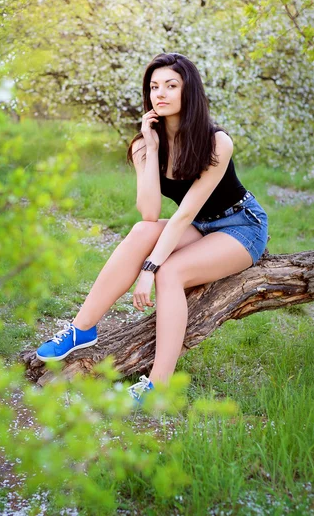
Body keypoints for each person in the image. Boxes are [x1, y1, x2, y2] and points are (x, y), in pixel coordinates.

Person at [35, 52, 269, 404]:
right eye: (154, 86)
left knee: (169, 273)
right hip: (201, 224)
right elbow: (149, 213)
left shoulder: (216, 141)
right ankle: (82, 328)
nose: (160, 93)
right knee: (142, 232)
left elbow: (183, 214)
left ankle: (157, 388)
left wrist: (149, 269)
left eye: (171, 85)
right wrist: (150, 147)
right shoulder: (145, 142)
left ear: (189, 92)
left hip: (240, 225)